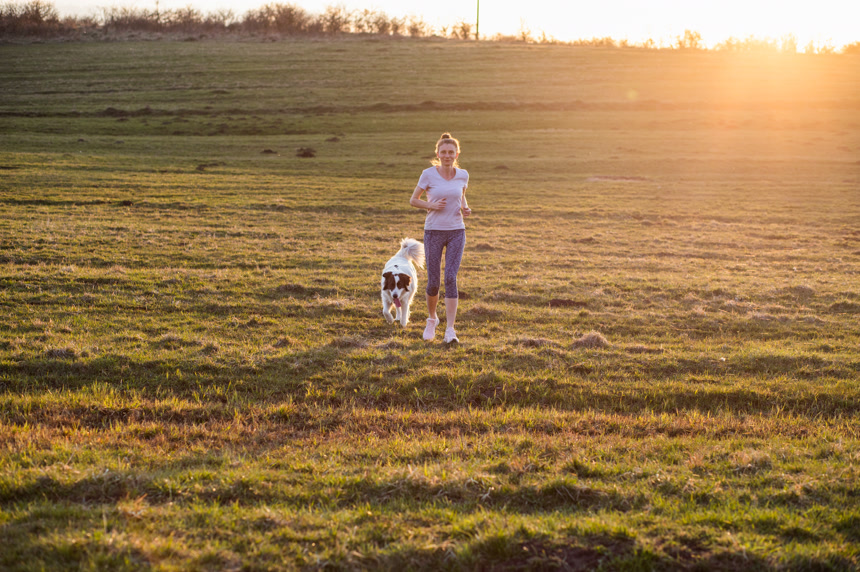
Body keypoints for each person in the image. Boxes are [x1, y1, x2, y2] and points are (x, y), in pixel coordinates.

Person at [409, 132, 472, 343]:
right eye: (443, 152)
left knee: (451, 277)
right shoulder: (428, 174)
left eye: (451, 152)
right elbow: (413, 200)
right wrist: (431, 205)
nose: (447, 155)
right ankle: (432, 319)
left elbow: (461, 194)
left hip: (456, 231)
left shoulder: (463, 174)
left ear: (456, 154)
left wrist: (465, 207)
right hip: (433, 231)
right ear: (438, 153)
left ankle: (450, 330)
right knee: (434, 280)